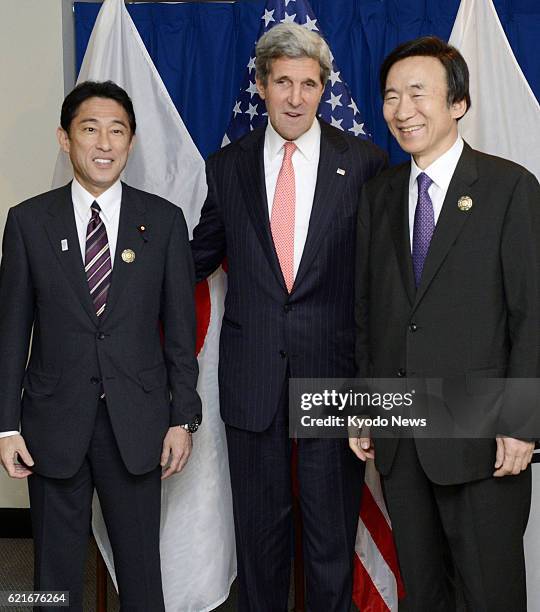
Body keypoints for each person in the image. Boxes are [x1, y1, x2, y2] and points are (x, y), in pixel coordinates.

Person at [191, 22, 386, 612]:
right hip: (252, 377)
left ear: (324, 88)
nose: (296, 97)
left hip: (334, 377)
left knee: (330, 538)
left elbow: (382, 281)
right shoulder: (227, 165)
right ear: (262, 84)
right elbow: (198, 256)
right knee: (260, 538)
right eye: (283, 83)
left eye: (308, 84)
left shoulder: (368, 162)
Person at [350, 36, 540, 611]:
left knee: (489, 594)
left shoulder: (510, 188)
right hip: (402, 438)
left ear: (457, 103)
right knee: (423, 595)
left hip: (484, 439)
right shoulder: (378, 195)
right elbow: (369, 314)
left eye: (417, 92)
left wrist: (521, 422)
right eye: (390, 96)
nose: (402, 109)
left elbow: (531, 313)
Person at [0, 80, 201, 611]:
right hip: (50, 425)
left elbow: (181, 334)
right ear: (66, 140)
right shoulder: (27, 222)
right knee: (52, 579)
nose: (105, 143)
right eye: (90, 129)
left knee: (141, 576)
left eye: (118, 131)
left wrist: (184, 417)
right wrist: (5, 425)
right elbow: (11, 332)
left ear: (131, 142)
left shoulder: (162, 221)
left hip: (138, 425)